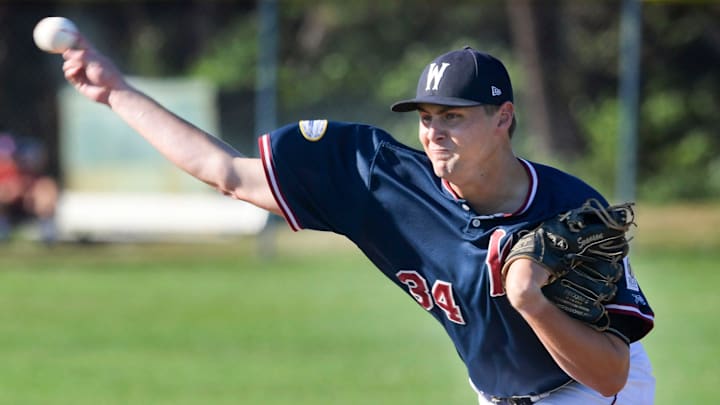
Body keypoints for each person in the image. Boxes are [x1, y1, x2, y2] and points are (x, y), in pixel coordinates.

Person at [62, 37, 655, 404]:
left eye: (454, 115)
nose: (433, 131)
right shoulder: (380, 179)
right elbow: (228, 173)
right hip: (496, 394)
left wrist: (531, 301)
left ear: (503, 118)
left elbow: (609, 376)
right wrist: (116, 92)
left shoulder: (570, 212)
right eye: (425, 115)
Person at [0, 130, 58, 242]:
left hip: (26, 207)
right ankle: (3, 229)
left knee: (45, 191)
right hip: (10, 208)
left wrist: (28, 193)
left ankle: (47, 233)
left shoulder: (30, 173)